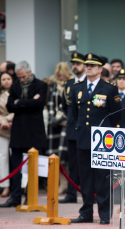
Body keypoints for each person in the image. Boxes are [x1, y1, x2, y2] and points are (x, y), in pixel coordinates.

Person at [70, 53, 122, 224]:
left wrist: (108, 132)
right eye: (87, 65)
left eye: (92, 65)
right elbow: (76, 114)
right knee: (85, 178)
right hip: (84, 138)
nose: (88, 67)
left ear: (100, 69)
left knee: (102, 178)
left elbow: (116, 115)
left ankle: (104, 214)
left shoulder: (109, 88)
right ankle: (86, 213)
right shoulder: (76, 88)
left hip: (102, 140)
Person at [0, 61, 48, 207]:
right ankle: (15, 197)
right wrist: (28, 102)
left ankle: (30, 197)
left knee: (33, 167)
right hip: (18, 131)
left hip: (34, 131)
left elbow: (38, 105)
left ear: (30, 72)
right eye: (19, 77)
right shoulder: (15, 85)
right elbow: (9, 106)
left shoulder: (41, 85)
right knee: (16, 166)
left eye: (23, 77)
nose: (21, 80)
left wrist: (20, 102)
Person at [60, 52, 86, 204]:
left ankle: (90, 194)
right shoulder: (69, 84)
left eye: (78, 63)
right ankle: (71, 193)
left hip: (87, 130)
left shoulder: (88, 83)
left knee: (88, 163)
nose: (74, 66)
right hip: (72, 129)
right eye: (73, 64)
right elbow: (64, 106)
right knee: (72, 163)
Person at [46, 62, 73, 194]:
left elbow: (69, 106)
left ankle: (67, 184)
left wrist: (62, 118)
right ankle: (61, 183)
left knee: (64, 157)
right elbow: (50, 103)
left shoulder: (72, 84)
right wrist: (53, 118)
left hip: (66, 124)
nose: (60, 78)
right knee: (55, 156)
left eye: (62, 75)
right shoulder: (53, 85)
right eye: (58, 75)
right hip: (54, 126)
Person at [0, 72, 15, 197]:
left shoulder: (17, 92)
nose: (6, 81)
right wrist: (1, 121)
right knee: (1, 158)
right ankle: (4, 186)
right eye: (3, 79)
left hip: (14, 127)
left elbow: (18, 108)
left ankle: (21, 186)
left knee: (17, 158)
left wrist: (8, 119)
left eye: (8, 79)